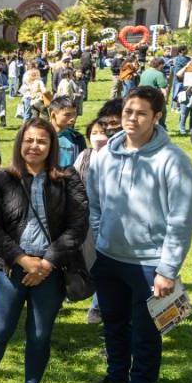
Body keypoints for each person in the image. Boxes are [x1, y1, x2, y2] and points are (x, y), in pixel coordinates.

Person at [80, 87, 192, 383]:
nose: (132, 119)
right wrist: (102, 233)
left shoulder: (173, 161)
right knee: (114, 323)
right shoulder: (105, 155)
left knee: (146, 333)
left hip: (150, 265)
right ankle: (117, 377)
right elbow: (96, 201)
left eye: (141, 113)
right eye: (128, 111)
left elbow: (182, 220)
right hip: (109, 258)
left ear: (157, 117)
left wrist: (168, 269)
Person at [0, 118, 87, 383]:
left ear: (52, 146)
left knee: (39, 334)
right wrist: (22, 259)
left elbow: (78, 226)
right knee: (0, 330)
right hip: (10, 268)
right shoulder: (2, 178)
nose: (34, 146)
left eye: (42, 141)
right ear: (19, 143)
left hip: (50, 270)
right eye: (29, 140)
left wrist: (48, 262)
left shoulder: (67, 178)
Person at [73, 118, 114, 325]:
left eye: (103, 132)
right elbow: (73, 182)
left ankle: (98, 306)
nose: (99, 137)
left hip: (110, 220)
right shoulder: (85, 156)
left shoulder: (116, 157)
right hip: (85, 218)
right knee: (88, 260)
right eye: (94, 132)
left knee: (102, 263)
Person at [48, 96, 85, 167]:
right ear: (53, 115)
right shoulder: (41, 137)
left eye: (74, 114)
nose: (73, 119)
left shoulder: (77, 138)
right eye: (67, 115)